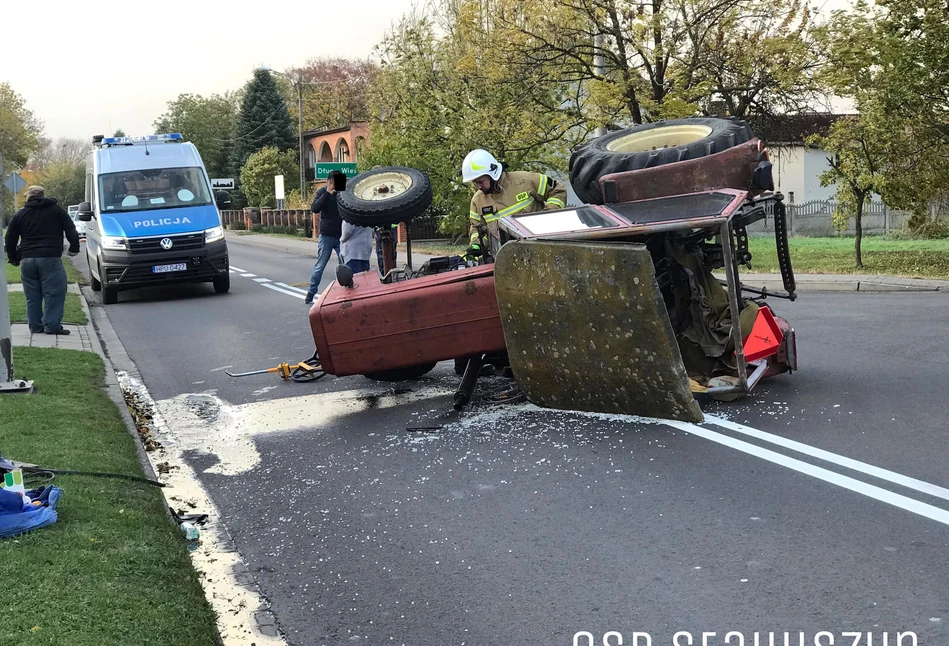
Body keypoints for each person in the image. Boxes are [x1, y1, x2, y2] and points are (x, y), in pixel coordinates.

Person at [461, 149, 568, 259]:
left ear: (492, 174)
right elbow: (477, 229)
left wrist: (549, 215)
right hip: (505, 260)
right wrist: (476, 244)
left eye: (480, 181)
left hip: (541, 250)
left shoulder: (525, 181)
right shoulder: (477, 201)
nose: (478, 187)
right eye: (475, 183)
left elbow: (557, 190)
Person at [3, 186, 80, 335]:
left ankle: (35, 326)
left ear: (28, 197)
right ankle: (52, 326)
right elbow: (71, 229)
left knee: (32, 295)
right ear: (43, 195)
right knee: (55, 293)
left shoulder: (20, 214)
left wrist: (13, 258)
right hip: (50, 258)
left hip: (27, 260)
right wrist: (74, 248)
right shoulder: (56, 210)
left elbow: (10, 238)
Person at [305, 170, 346, 304]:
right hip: (327, 235)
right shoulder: (322, 192)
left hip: (341, 236)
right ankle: (311, 292)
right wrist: (328, 194)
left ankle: (344, 291)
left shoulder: (342, 194)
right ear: (329, 181)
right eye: (335, 182)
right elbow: (315, 208)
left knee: (344, 264)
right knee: (320, 265)